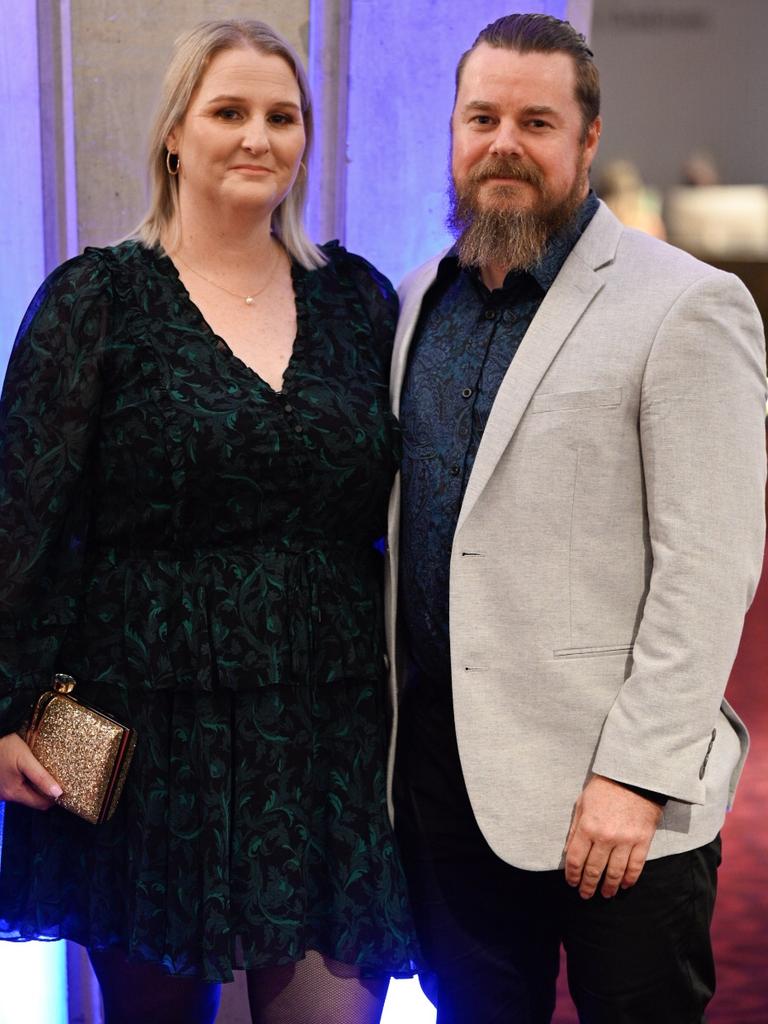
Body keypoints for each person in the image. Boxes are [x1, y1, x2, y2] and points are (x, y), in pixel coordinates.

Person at [0, 19, 418, 1024]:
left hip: (330, 730)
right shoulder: (96, 300)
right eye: (229, 111)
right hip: (145, 731)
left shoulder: (358, 299)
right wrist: (7, 706)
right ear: (174, 136)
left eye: (283, 116)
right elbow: (20, 516)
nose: (257, 136)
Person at [388, 13, 766, 1024]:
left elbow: (710, 565)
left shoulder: (688, 305)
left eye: (535, 120)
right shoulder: (421, 297)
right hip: (449, 793)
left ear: (586, 140)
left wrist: (635, 777)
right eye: (482, 118)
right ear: (455, 133)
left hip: (616, 802)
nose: (503, 143)